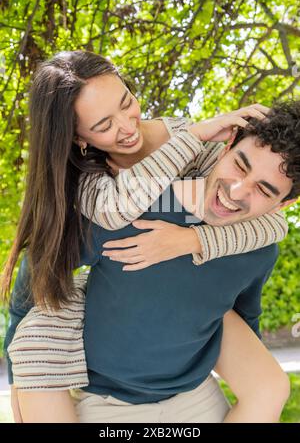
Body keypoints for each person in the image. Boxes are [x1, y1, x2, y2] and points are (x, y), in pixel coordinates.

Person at [3, 51, 293, 423]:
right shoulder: (91, 183)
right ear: (78, 138)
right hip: (109, 320)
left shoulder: (205, 151)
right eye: (104, 125)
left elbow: (269, 224)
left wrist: (191, 241)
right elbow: (40, 268)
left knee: (269, 386)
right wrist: (20, 374)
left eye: (127, 103)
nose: (127, 127)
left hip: (186, 306)